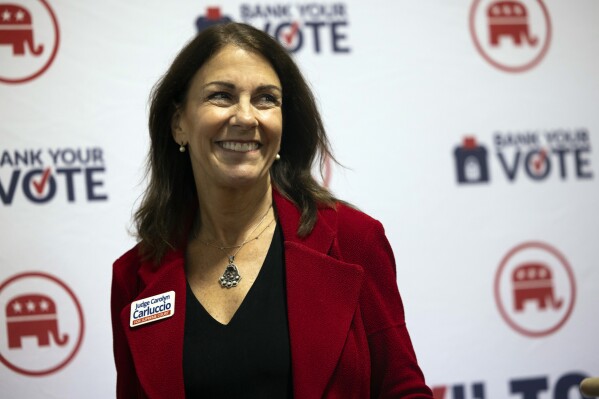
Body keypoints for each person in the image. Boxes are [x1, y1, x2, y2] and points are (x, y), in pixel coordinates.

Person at [111, 22, 433, 399]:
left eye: (266, 99)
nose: (246, 117)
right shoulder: (134, 277)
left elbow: (402, 390)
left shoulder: (354, 241)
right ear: (179, 123)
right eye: (221, 96)